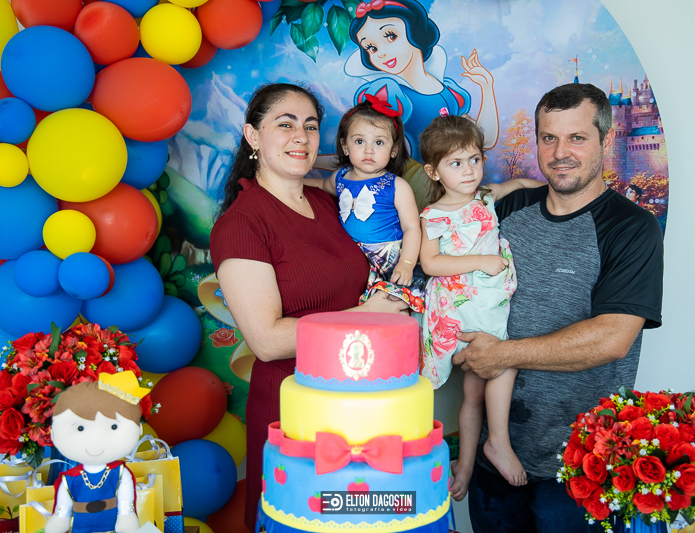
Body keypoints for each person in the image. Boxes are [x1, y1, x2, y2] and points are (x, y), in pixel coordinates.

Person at [454, 83, 664, 532]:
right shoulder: (508, 207)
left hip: (579, 467)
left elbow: (612, 338)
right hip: (495, 459)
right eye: (549, 138)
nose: (560, 152)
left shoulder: (630, 228)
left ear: (607, 140)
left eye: (577, 138)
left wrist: (501, 354)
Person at [208, 83, 409, 531]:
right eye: (285, 124)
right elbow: (266, 340)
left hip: (362, 402)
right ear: (253, 135)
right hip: (295, 413)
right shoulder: (242, 224)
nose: (301, 136)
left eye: (311, 126)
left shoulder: (328, 201)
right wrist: (367, 318)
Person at [417, 114, 544, 501]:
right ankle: (498, 442)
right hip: (464, 303)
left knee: (474, 392)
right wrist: (481, 262)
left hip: (489, 298)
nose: (469, 170)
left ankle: (467, 464)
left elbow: (518, 184)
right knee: (505, 360)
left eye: (474, 159)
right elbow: (430, 263)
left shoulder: (486, 197)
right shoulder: (434, 215)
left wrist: (547, 188)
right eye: (456, 163)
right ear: (433, 172)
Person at [308, 96, 424, 311]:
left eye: (379, 142)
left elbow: (411, 227)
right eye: (360, 141)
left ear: (393, 150)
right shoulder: (340, 177)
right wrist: (294, 183)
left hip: (389, 259)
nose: (369, 150)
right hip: (352, 258)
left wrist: (407, 263)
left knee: (393, 304)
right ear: (345, 146)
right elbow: (321, 185)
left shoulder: (396, 185)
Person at [344, 0, 499, 161]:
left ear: (416, 32)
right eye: (372, 48)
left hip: (451, 175)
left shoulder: (449, 92)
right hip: (411, 176)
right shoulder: (389, 94)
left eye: (390, 36)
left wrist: (486, 86)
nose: (381, 53)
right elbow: (367, 152)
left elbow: (484, 140)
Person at [46, 371, 151, 533]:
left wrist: (126, 515)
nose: (95, 440)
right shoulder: (69, 479)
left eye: (113, 426)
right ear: (53, 434)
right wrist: (59, 519)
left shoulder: (120, 473)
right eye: (80, 428)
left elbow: (126, 504)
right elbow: (63, 509)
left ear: (139, 430)